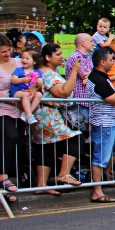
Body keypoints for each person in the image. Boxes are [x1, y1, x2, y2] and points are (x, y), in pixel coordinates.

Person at [30, 43, 84, 195]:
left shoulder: (46, 72)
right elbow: (63, 92)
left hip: (46, 115)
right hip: (49, 115)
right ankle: (63, 174)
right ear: (48, 57)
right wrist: (74, 72)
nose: (62, 57)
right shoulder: (47, 74)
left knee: (47, 148)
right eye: (58, 54)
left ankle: (42, 185)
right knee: (76, 138)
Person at [86, 48, 115, 202]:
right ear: (102, 62)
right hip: (103, 121)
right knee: (101, 156)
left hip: (112, 120)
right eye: (111, 59)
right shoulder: (98, 79)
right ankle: (97, 191)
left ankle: (106, 176)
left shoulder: (103, 77)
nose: (114, 62)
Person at [0, 34, 26, 202]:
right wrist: (14, 102)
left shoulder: (17, 62)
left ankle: (2, 184)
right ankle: (2, 176)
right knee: (10, 136)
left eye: (9, 50)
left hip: (19, 108)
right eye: (3, 52)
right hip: (0, 107)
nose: (7, 54)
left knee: (17, 143)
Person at [64, 33, 95, 123]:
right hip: (79, 102)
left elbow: (91, 76)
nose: (93, 44)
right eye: (91, 41)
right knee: (82, 132)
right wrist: (93, 75)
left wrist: (92, 75)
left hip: (88, 101)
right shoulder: (75, 57)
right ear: (83, 43)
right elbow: (85, 76)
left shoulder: (88, 58)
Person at [10, 50, 44, 124]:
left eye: (27, 58)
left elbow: (40, 83)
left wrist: (36, 80)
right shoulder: (18, 70)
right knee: (26, 94)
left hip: (29, 91)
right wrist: (23, 79)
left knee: (39, 94)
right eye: (23, 58)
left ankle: (28, 113)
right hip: (17, 91)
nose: (24, 60)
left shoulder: (37, 71)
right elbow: (14, 80)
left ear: (34, 61)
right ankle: (28, 115)